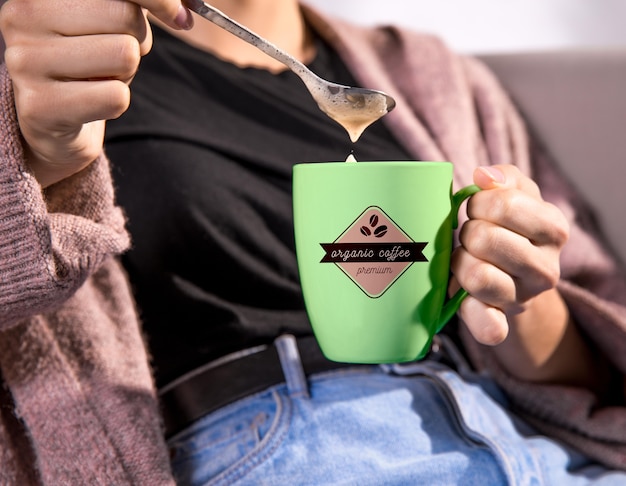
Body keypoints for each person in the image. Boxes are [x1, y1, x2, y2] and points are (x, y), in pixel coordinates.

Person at [0, 0, 625, 483]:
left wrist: (523, 297)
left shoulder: (436, 78)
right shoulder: (42, 62)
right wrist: (33, 160)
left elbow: (598, 371)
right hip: (282, 443)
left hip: (532, 443)